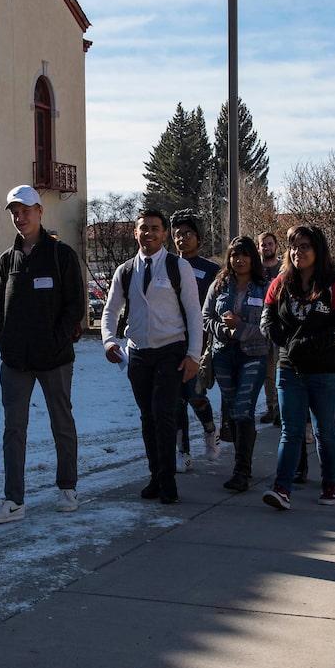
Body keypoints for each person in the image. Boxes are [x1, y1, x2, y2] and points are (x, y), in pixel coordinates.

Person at [0, 185, 85, 525]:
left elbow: (75, 305)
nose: (19, 216)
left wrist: (56, 341)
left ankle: (67, 487)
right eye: (14, 210)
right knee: (14, 429)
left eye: (26, 209)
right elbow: (0, 307)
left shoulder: (61, 255)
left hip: (55, 358)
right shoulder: (6, 260)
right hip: (16, 362)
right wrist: (5, 344)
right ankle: (13, 500)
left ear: (40, 211)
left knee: (61, 422)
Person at [101, 210, 202, 504]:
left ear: (165, 234)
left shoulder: (177, 266)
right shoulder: (126, 270)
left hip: (171, 349)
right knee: (148, 417)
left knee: (164, 414)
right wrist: (109, 341)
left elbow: (194, 314)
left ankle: (168, 480)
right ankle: (155, 476)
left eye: (156, 229)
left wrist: (194, 354)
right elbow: (110, 310)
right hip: (139, 353)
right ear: (135, 233)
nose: (150, 233)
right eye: (144, 228)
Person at [261, 225, 335, 509]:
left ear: (317, 250)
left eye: (304, 246)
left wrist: (313, 343)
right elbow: (266, 320)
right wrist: (282, 339)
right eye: (294, 246)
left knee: (324, 429)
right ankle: (282, 488)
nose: (297, 252)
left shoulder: (334, 284)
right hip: (290, 367)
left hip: (325, 369)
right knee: (291, 430)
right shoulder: (280, 283)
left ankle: (330, 482)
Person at [203, 236, 270, 491]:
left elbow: (268, 326)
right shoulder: (220, 285)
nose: (239, 260)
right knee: (232, 412)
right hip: (223, 355)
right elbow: (205, 316)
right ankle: (241, 465)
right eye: (234, 255)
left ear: (253, 258)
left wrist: (241, 328)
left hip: (253, 354)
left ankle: (242, 470)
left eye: (244, 255)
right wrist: (222, 328)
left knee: (243, 410)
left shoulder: (264, 287)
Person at [171, 210, 222, 468]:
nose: (182, 239)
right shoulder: (167, 265)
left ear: (198, 238)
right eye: (178, 234)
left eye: (187, 234)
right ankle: (183, 452)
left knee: (195, 394)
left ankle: (210, 430)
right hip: (171, 341)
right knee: (176, 399)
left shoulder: (211, 270)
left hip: (199, 342)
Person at [256, 232, 283, 426]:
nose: (267, 247)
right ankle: (271, 408)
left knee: (283, 370)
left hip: (282, 325)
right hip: (261, 326)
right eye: (263, 245)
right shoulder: (255, 270)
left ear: (276, 246)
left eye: (270, 244)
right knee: (268, 372)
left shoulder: (284, 268)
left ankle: (283, 409)